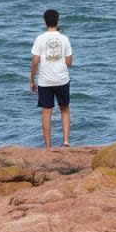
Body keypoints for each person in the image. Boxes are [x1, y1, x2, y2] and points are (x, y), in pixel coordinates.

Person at [30, 9, 72, 149]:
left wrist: (32, 80)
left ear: (44, 22)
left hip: (45, 80)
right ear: (58, 21)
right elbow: (69, 62)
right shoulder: (64, 38)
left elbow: (35, 61)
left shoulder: (40, 38)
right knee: (64, 109)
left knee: (46, 111)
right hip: (61, 79)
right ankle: (66, 140)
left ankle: (48, 145)